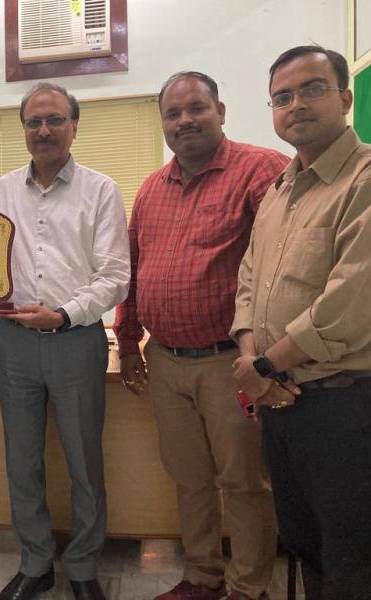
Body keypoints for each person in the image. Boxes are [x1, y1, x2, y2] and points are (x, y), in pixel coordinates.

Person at [113, 72, 287, 600]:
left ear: (221, 111)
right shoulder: (152, 188)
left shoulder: (259, 170)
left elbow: (284, 265)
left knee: (243, 482)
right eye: (173, 113)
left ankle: (248, 586)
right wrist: (128, 341)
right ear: (163, 123)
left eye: (197, 108)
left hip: (229, 362)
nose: (185, 120)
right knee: (188, 478)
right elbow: (135, 269)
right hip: (166, 361)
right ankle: (202, 577)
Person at [231, 46, 371, 600]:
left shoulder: (363, 179)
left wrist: (263, 367)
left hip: (344, 405)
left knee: (352, 554)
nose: (297, 105)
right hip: (283, 404)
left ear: (345, 97)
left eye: (312, 89)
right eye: (282, 97)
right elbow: (249, 278)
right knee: (303, 541)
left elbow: (350, 302)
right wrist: (252, 359)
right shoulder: (279, 190)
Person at [0, 82, 130, 600]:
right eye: (33, 122)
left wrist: (64, 314)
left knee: (84, 459)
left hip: (76, 339)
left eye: (54, 120)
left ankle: (84, 567)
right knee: (21, 459)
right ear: (23, 129)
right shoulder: (2, 190)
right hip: (14, 341)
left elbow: (115, 276)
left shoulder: (101, 190)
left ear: (74, 125)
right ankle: (36, 563)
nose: (43, 130)